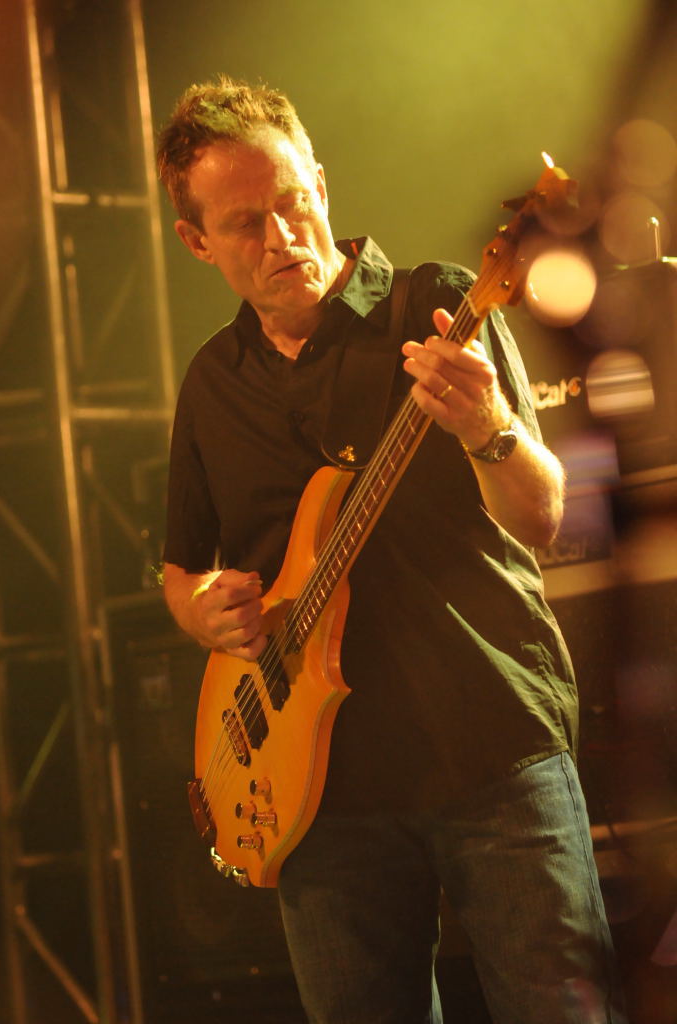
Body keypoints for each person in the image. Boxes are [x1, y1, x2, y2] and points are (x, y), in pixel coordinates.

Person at [156, 75, 626, 1024]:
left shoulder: (441, 304)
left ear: (322, 185)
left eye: (293, 202)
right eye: (244, 223)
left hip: (491, 748)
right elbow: (180, 569)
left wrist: (489, 428)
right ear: (196, 241)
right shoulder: (211, 384)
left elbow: (542, 516)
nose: (281, 236)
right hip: (319, 798)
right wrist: (204, 611)